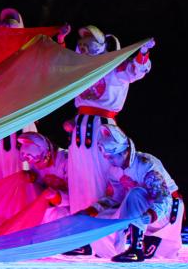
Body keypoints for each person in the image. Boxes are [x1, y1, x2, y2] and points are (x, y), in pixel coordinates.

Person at [65, 25, 155, 256]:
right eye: (81, 44)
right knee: (79, 181)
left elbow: (135, 71)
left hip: (102, 131)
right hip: (80, 131)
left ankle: (105, 240)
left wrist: (143, 52)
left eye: (88, 43)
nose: (83, 47)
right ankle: (82, 238)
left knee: (103, 182)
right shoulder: (81, 70)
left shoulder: (113, 67)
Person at [0, 9, 71, 186]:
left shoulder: (30, 58)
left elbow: (54, 66)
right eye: (3, 31)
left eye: (11, 32)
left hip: (20, 123)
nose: (7, 36)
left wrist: (60, 39)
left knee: (22, 171)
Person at [83, 123, 183, 262]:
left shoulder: (146, 164)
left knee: (136, 193)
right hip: (141, 212)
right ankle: (113, 249)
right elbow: (116, 198)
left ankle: (135, 250)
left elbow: (164, 198)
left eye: (111, 157)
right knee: (102, 218)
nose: (109, 160)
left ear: (124, 152)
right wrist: (93, 210)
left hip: (165, 212)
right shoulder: (114, 171)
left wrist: (152, 214)